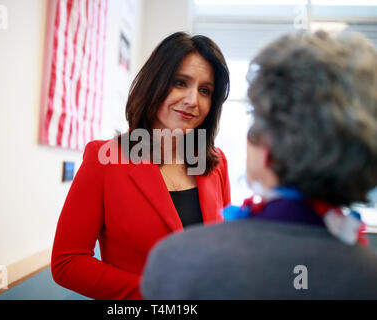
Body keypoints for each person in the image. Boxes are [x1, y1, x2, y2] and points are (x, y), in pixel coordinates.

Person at [141, 30, 377, 299]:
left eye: (255, 118)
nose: (192, 100)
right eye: (180, 83)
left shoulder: (176, 263)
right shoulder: (368, 274)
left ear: (266, 148)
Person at [51, 32, 231, 299]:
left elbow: (225, 247)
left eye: (205, 91)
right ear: (154, 84)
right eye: (180, 83)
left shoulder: (215, 162)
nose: (193, 100)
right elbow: (68, 262)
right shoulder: (104, 158)